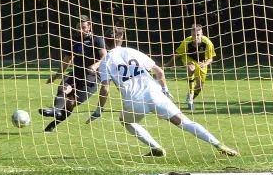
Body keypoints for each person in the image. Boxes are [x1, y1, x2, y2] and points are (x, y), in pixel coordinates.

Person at [88, 26, 238, 157]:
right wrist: (165, 89)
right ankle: (219, 145)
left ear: (105, 42)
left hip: (134, 100)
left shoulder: (106, 60)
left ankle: (156, 148)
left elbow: (105, 87)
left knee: (126, 121)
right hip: (154, 93)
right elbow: (159, 71)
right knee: (184, 122)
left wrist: (99, 110)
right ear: (121, 40)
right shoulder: (133, 52)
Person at [38, 15, 106, 133]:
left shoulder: (97, 40)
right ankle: (55, 109)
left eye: (83, 27)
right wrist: (55, 76)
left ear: (89, 27)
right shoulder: (73, 40)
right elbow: (67, 60)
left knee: (71, 102)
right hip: (76, 73)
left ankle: (52, 124)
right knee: (63, 87)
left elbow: (105, 56)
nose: (80, 29)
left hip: (92, 77)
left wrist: (95, 65)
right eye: (78, 27)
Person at [165, 24, 216, 110]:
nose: (195, 37)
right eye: (193, 34)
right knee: (191, 69)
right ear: (191, 34)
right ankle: (190, 96)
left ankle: (190, 98)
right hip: (189, 58)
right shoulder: (186, 42)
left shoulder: (208, 43)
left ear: (202, 34)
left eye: (197, 35)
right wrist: (169, 64)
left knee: (199, 87)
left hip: (202, 62)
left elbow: (211, 58)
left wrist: (205, 64)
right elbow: (177, 54)